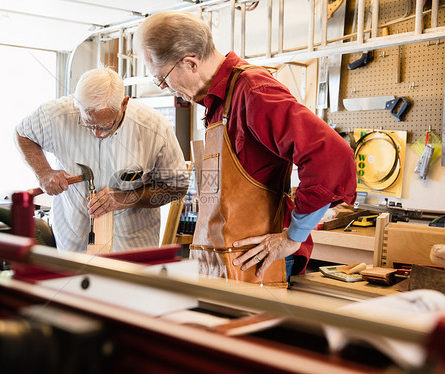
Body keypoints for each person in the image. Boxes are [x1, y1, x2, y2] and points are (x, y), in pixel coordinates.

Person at [135, 11, 357, 282]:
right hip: (227, 257)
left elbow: (332, 157)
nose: (165, 88)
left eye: (162, 78)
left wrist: (292, 236)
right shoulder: (219, 101)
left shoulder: (253, 91)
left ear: (190, 63)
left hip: (258, 260)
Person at [15, 67, 188, 252]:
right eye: (88, 124)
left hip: (132, 247)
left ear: (124, 104)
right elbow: (23, 134)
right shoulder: (57, 114)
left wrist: (127, 198)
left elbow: (177, 186)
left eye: (106, 125)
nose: (98, 133)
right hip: (74, 243)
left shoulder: (155, 128)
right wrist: (43, 172)